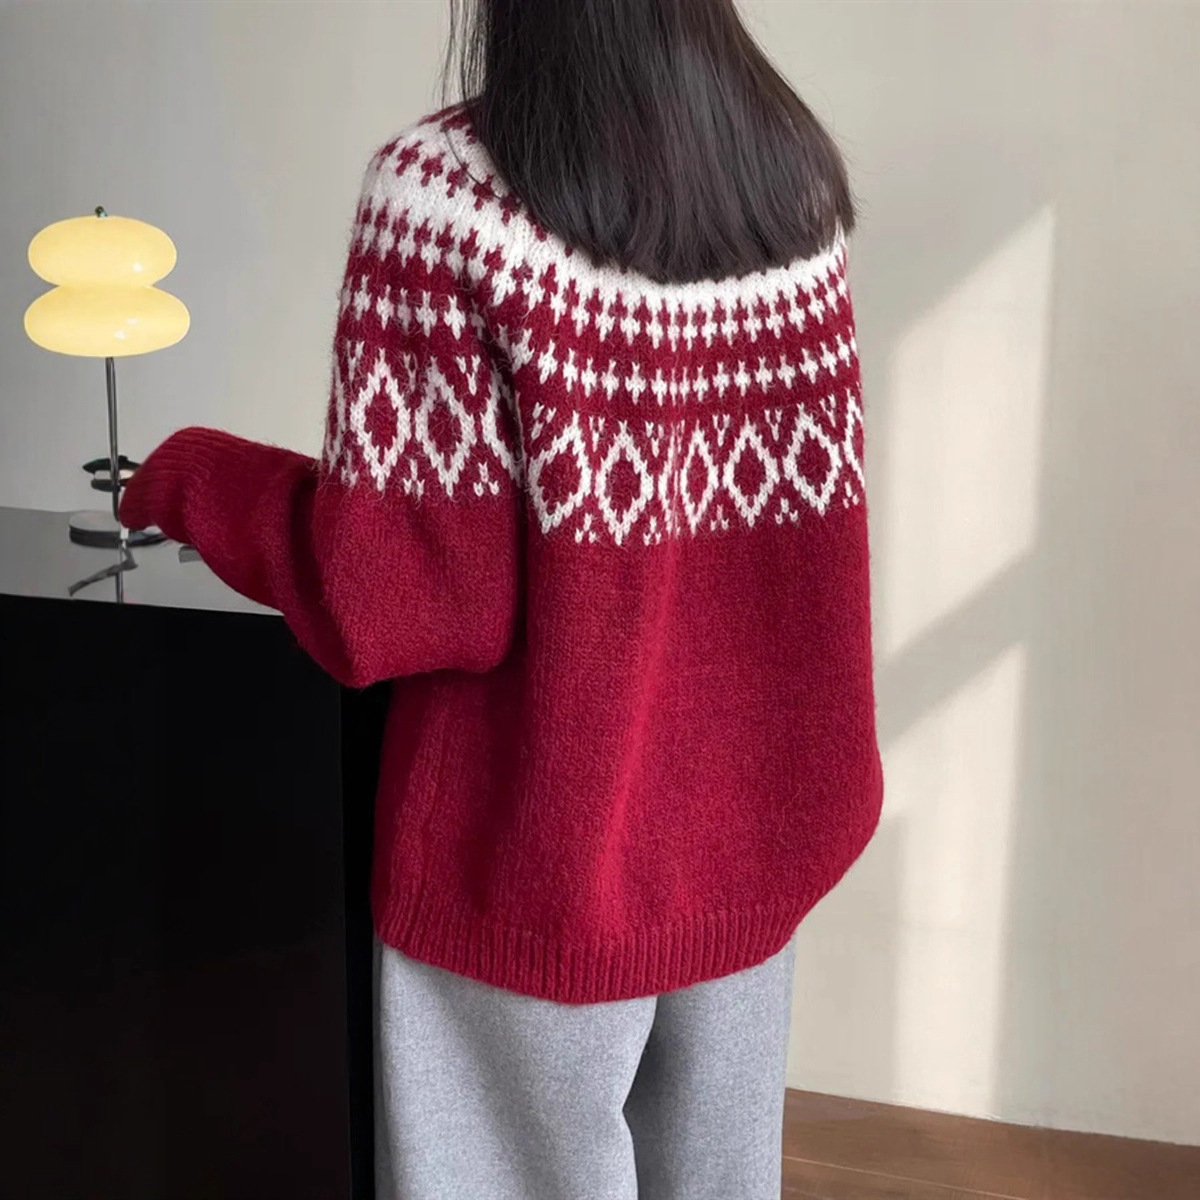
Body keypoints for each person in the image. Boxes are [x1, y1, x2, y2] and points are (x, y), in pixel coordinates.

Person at [120, 0, 883, 1196]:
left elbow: (403, 602)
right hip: (752, 831)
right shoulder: (783, 180)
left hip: (532, 843)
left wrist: (203, 480)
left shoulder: (443, 196)